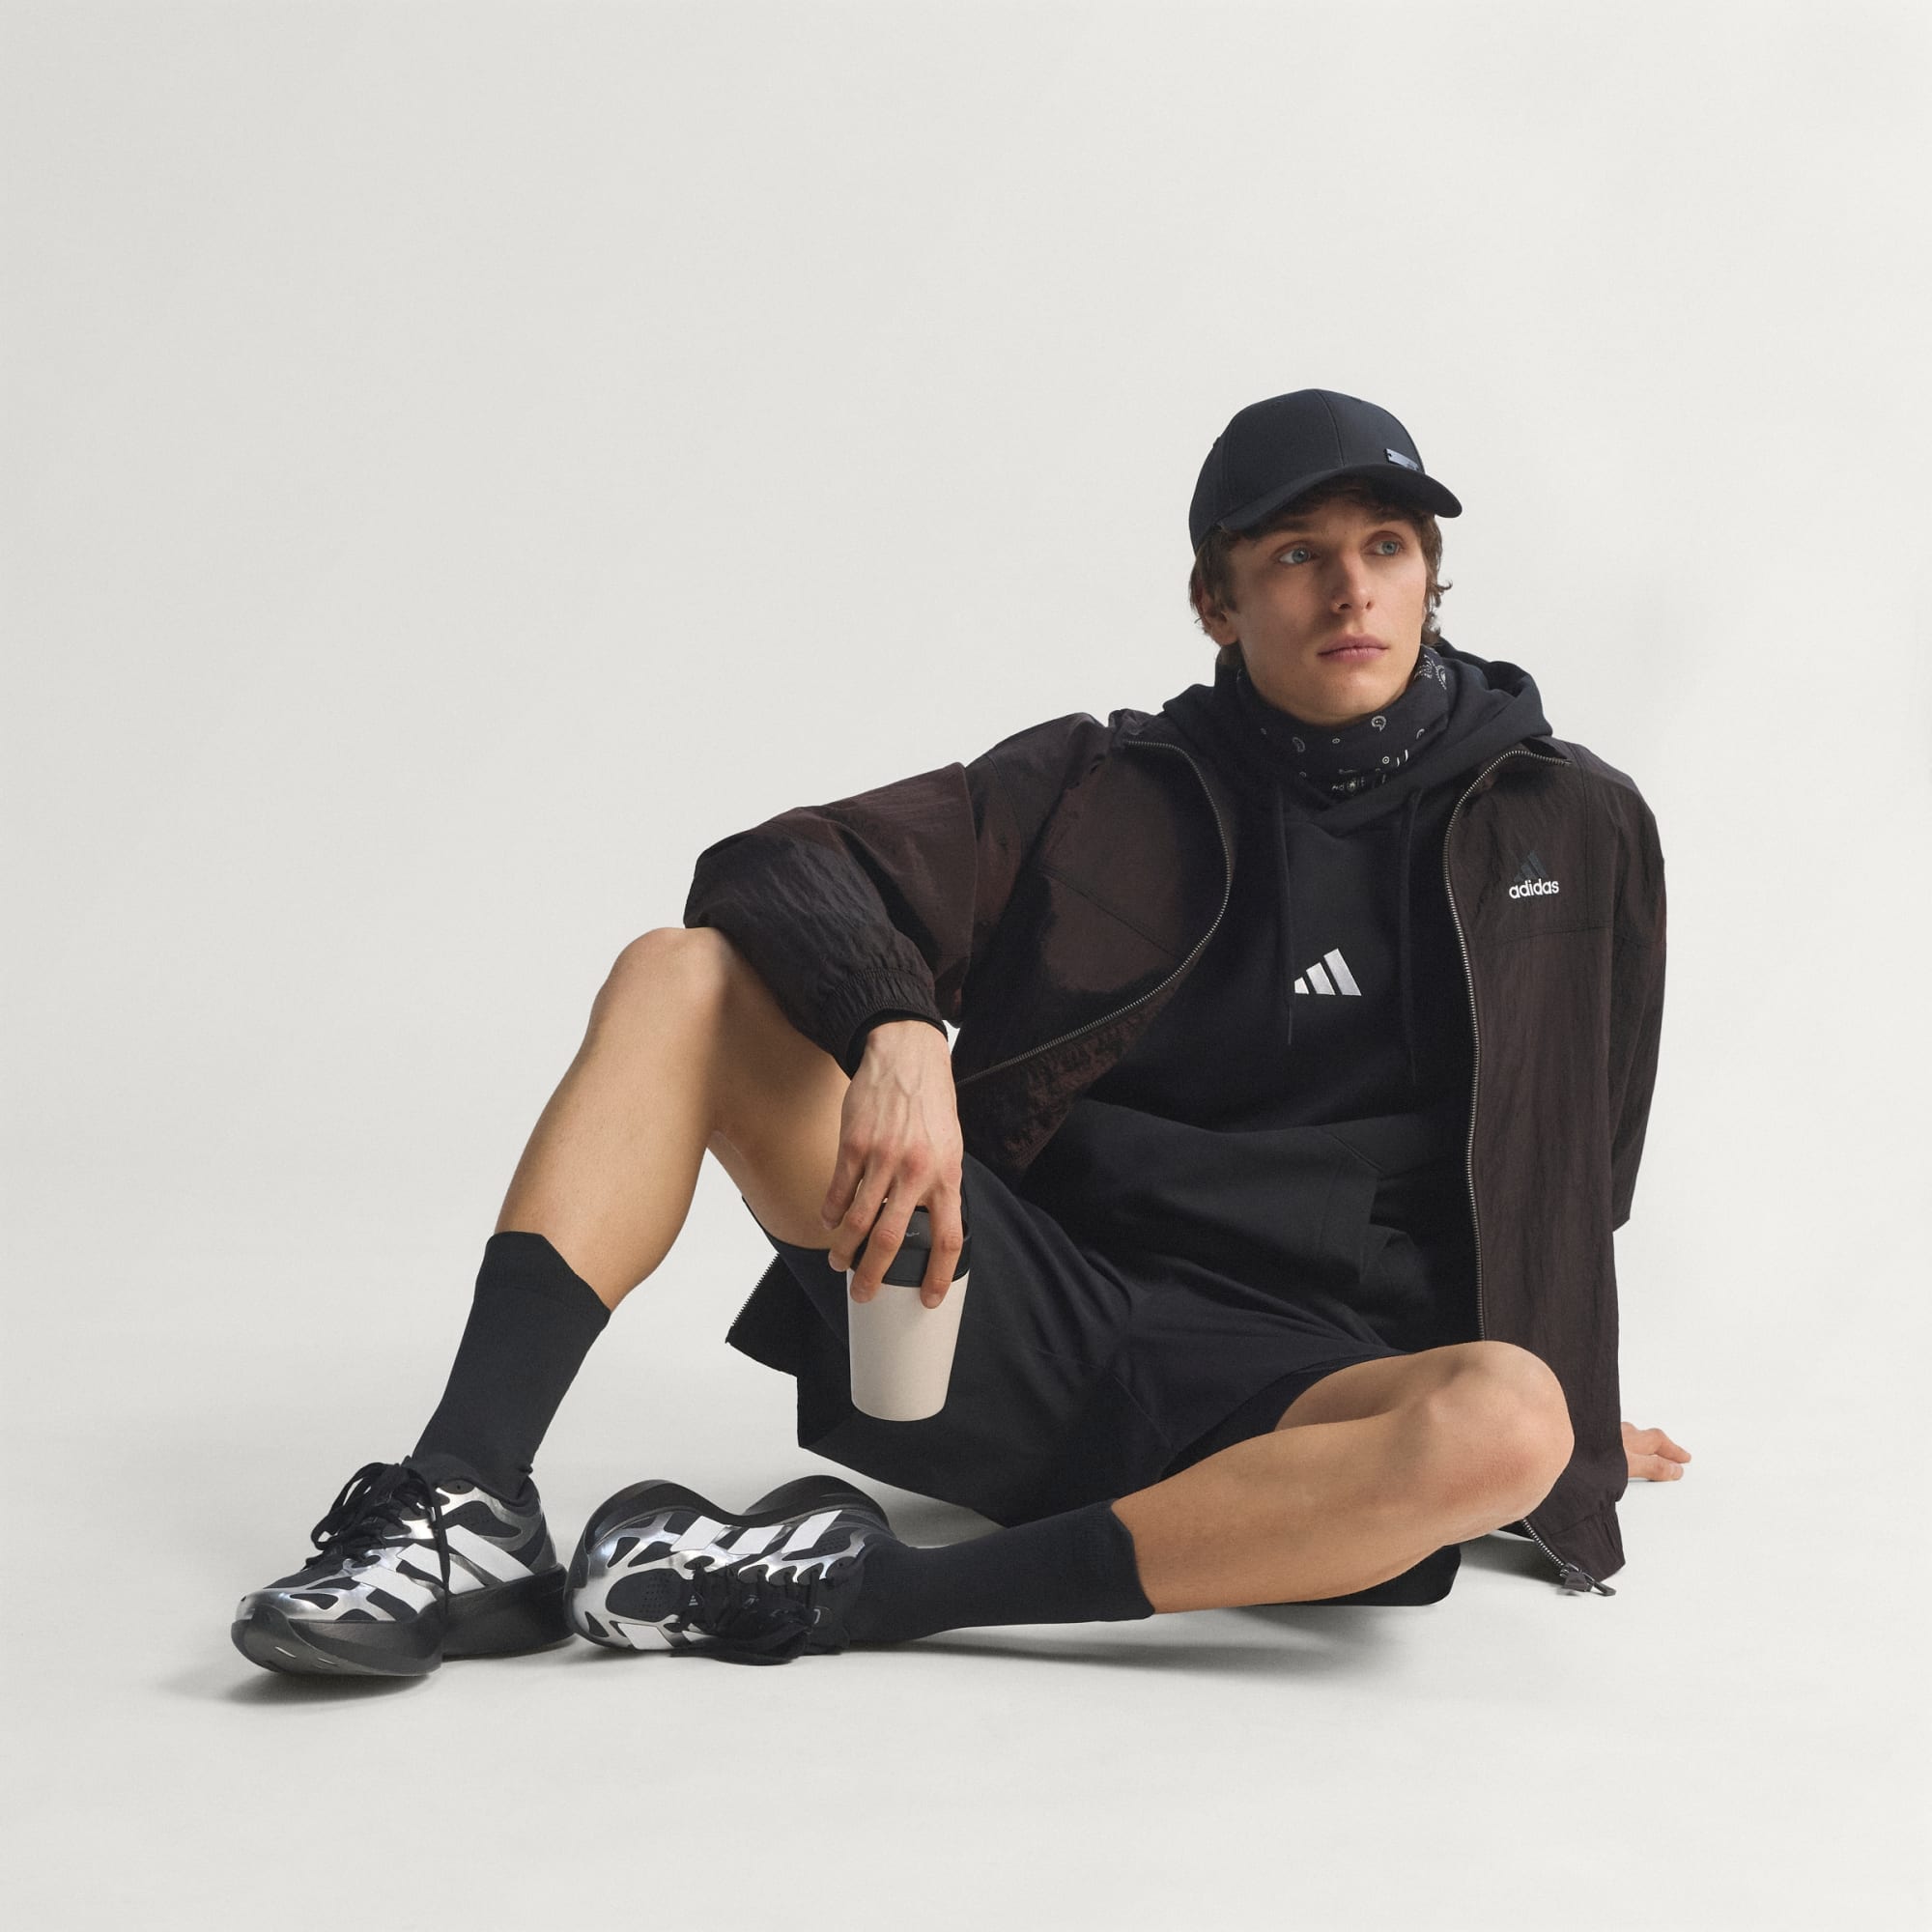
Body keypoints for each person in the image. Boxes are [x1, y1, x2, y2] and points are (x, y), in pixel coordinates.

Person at [232, 387, 1687, 1678]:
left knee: (1511, 1422)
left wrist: (1569, 1402)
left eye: (1388, 547)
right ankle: (468, 1496)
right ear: (1216, 600)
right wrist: (896, 1024)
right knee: (682, 975)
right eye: (1298, 554)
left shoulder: (1570, 821)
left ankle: (862, 1593)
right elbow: (773, 864)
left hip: (1312, 1388)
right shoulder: (1104, 783)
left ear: (1432, 574)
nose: (1352, 590)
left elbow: (1585, 1159)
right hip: (1013, 1315)